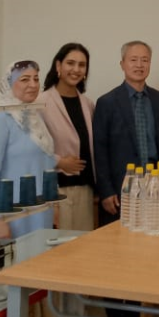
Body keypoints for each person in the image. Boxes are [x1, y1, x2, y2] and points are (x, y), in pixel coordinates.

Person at [92, 40, 159, 317]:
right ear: (122, 64)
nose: (140, 65)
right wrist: (106, 190)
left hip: (153, 188)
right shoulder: (107, 102)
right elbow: (99, 149)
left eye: (145, 60)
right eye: (133, 60)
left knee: (148, 256)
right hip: (121, 190)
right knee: (117, 257)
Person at [0, 60, 56, 240]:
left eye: (36, 79)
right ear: (8, 83)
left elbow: (46, 163)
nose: (33, 84)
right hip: (13, 214)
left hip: (40, 210)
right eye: (25, 79)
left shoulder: (35, 116)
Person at [39, 43, 96, 232]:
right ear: (58, 65)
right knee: (59, 246)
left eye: (82, 65)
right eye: (70, 63)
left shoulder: (88, 104)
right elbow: (31, 147)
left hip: (85, 190)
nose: (76, 69)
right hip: (56, 189)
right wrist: (59, 161)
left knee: (83, 245)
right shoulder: (40, 102)